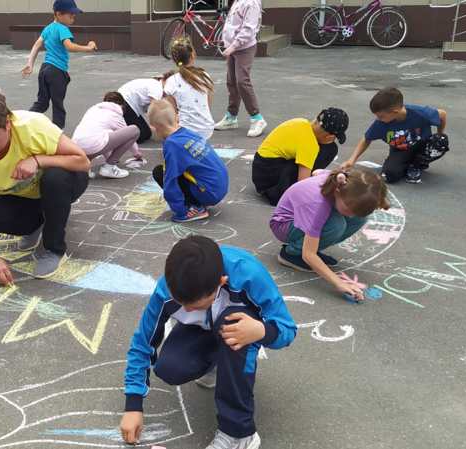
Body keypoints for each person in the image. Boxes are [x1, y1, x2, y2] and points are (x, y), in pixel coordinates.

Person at [120, 235, 297, 449]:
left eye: (195, 306)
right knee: (170, 368)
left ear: (220, 283)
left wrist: (261, 331)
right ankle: (216, 363)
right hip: (205, 329)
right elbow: (142, 342)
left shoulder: (248, 274)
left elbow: (287, 329)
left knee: (230, 324)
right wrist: (133, 403)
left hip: (242, 329)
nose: (186, 311)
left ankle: (239, 434)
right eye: (181, 304)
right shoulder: (168, 288)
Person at [0, 88, 90, 282]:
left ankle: (53, 249)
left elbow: (82, 162)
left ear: (7, 124)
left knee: (54, 178)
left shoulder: (32, 126)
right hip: (25, 195)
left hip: (67, 180)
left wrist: (37, 160)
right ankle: (37, 223)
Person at [270, 167, 389, 301]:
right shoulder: (318, 204)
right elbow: (308, 254)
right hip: (284, 225)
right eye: (349, 209)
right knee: (336, 225)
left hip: (302, 219)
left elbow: (317, 172)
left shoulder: (340, 179)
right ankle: (291, 254)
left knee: (360, 218)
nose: (351, 215)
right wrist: (339, 283)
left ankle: (312, 246)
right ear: (337, 192)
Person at [341, 86, 448, 184]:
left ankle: (416, 165)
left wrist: (439, 133)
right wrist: (352, 160)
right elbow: (366, 139)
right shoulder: (381, 123)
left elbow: (442, 114)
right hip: (401, 150)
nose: (379, 119)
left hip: (422, 146)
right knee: (389, 176)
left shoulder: (420, 113)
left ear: (395, 112)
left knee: (440, 140)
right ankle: (404, 163)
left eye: (381, 116)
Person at [148, 99, 228, 222]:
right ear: (177, 118)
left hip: (209, 193)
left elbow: (170, 180)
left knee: (159, 172)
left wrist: (180, 210)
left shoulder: (172, 144)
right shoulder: (187, 133)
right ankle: (197, 199)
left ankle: (192, 209)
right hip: (219, 186)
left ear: (156, 127)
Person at [21, 0, 97, 129]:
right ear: (58, 14)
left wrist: (30, 64)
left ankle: (23, 123)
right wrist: (88, 48)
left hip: (44, 69)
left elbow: (37, 45)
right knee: (58, 105)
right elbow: (70, 46)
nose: (73, 16)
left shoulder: (49, 28)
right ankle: (57, 135)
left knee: (42, 103)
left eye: (74, 14)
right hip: (57, 71)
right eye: (70, 14)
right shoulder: (63, 29)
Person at [252, 108, 349, 206]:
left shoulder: (301, 122)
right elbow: (302, 182)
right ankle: (282, 195)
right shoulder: (309, 144)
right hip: (271, 183)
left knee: (328, 148)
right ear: (329, 137)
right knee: (330, 150)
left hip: (260, 170)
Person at [213, 0, 267, 137]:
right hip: (233, 47)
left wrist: (232, 46)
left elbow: (248, 29)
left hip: (244, 48)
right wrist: (228, 44)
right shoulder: (238, 1)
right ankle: (231, 116)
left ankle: (257, 118)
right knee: (231, 81)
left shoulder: (251, 3)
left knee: (242, 81)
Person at [112, 72, 175, 167]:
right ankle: (117, 133)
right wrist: (163, 128)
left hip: (129, 104)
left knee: (147, 134)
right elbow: (156, 111)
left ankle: (122, 125)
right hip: (124, 103)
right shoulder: (157, 88)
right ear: (166, 81)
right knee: (140, 136)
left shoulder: (157, 86)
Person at [71, 93, 140, 179]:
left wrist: (108, 156)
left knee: (101, 135)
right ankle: (109, 167)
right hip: (93, 145)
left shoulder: (93, 109)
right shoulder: (116, 114)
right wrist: (137, 153)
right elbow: (129, 135)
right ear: (121, 105)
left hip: (76, 148)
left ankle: (84, 167)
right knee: (134, 130)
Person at [164, 37, 215, 140]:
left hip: (186, 130)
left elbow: (172, 113)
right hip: (207, 128)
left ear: (174, 59)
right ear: (193, 55)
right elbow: (208, 106)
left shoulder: (171, 81)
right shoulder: (204, 76)